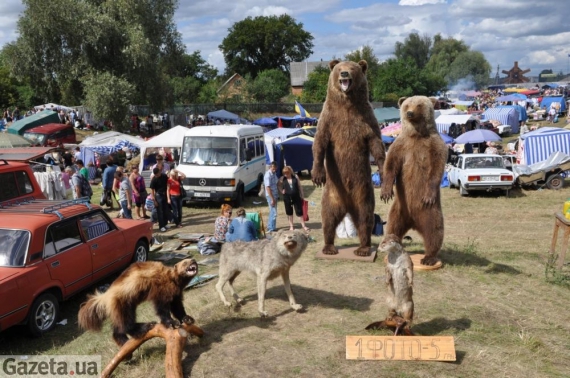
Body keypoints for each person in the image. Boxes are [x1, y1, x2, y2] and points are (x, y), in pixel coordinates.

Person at [278, 165, 309, 232]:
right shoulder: (282, 178)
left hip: (296, 196)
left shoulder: (295, 177)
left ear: (290, 172)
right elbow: (278, 185)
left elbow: (299, 186)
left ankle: (304, 225)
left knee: (299, 211)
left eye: (287, 173)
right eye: (284, 173)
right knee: (289, 212)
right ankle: (291, 226)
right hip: (287, 197)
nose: (286, 174)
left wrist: (302, 195)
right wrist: (281, 191)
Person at [150, 167, 169, 232]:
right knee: (159, 212)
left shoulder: (164, 176)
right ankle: (161, 226)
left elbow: (168, 184)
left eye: (157, 174)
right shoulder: (154, 179)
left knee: (165, 210)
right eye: (155, 175)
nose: (157, 175)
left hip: (165, 194)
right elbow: (152, 190)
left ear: (159, 172)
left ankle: (165, 223)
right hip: (158, 195)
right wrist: (154, 200)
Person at [264, 161, 279, 233]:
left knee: (273, 211)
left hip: (275, 195)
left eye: (275, 168)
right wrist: (272, 198)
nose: (274, 169)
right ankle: (270, 228)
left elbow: (277, 182)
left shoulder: (274, 174)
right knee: (273, 212)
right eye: (273, 168)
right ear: (270, 167)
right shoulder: (268, 175)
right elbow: (267, 187)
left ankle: (273, 227)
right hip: (271, 196)